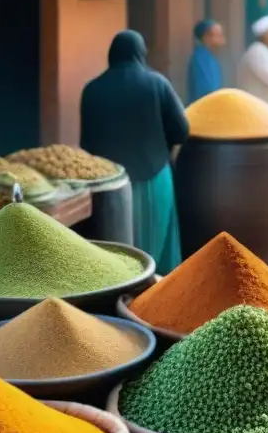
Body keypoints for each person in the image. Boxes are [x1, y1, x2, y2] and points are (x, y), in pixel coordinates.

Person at [80, 31, 188, 275]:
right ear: (141, 52)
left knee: (117, 254)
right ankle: (158, 299)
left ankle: (120, 299)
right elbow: (182, 130)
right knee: (157, 249)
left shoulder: (92, 89)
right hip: (153, 176)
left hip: (109, 186)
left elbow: (86, 145)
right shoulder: (157, 83)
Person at [187, 19, 225, 104]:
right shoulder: (201, 59)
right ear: (206, 37)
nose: (222, 39)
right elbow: (207, 91)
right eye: (218, 35)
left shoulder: (210, 57)